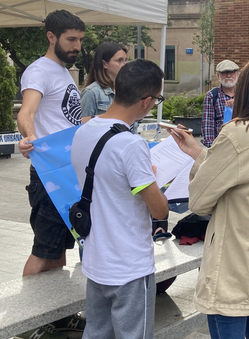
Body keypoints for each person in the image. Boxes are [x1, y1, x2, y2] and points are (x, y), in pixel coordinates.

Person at [167, 56, 249, 339]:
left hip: (236, 260)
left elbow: (199, 201)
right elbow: (246, 178)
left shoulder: (238, 133)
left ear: (248, 88)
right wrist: (198, 152)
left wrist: (200, 162)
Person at [71, 59, 169, 338]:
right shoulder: (130, 144)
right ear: (147, 101)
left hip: (96, 259)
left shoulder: (83, 131)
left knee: (97, 333)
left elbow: (104, 182)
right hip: (129, 266)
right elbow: (159, 209)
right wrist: (152, 178)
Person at [15, 9, 85, 339]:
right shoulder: (39, 72)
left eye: (81, 41)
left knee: (58, 251)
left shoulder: (64, 72)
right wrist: (30, 138)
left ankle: (57, 318)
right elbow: (26, 113)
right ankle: (25, 322)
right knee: (43, 252)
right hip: (49, 176)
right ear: (51, 37)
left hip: (69, 174)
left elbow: (65, 122)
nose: (77, 47)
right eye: (71, 40)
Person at [80, 42, 128, 123]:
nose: (124, 65)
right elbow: (81, 126)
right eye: (119, 60)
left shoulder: (125, 91)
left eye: (125, 60)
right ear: (104, 64)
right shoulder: (91, 92)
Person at [201, 59, 239, 147]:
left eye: (232, 72)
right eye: (224, 73)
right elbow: (208, 124)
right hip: (221, 145)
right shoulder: (212, 96)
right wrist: (213, 147)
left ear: (237, 74)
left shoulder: (246, 94)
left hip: (243, 144)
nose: (228, 75)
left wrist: (239, 103)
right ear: (218, 75)